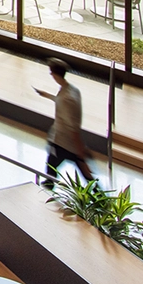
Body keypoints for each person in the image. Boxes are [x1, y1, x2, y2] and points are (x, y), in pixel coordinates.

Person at [35, 57, 95, 188]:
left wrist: (81, 153)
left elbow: (73, 128)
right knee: (54, 163)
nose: (51, 75)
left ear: (55, 74)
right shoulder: (72, 90)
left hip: (63, 142)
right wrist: (47, 95)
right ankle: (97, 193)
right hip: (64, 141)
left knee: (57, 163)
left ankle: (49, 183)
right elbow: (61, 102)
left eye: (51, 72)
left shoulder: (66, 99)